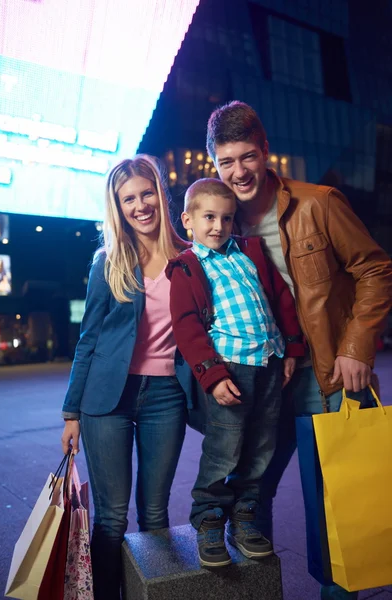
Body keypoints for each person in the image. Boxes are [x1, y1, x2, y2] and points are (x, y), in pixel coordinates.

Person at [206, 101, 392, 598]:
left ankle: (338, 591)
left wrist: (357, 347)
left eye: (247, 157)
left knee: (334, 494)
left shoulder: (318, 203)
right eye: (227, 161)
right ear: (215, 165)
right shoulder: (221, 224)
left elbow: (375, 269)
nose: (238, 171)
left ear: (266, 153)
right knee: (250, 493)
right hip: (262, 375)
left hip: (323, 369)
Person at [61, 155, 192, 600]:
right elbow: (88, 340)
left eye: (146, 193)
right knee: (112, 518)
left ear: (160, 193)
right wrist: (71, 413)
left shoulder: (190, 259)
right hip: (106, 401)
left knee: (155, 513)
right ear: (118, 207)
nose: (140, 205)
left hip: (166, 397)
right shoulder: (109, 262)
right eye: (128, 199)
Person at [166, 178, 304, 568]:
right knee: (224, 449)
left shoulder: (250, 252)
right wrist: (212, 375)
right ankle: (209, 519)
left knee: (262, 445)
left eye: (226, 218)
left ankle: (244, 519)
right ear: (188, 220)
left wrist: (291, 347)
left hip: (270, 362)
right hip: (230, 369)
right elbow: (187, 327)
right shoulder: (186, 267)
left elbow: (281, 299)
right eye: (208, 217)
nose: (218, 226)